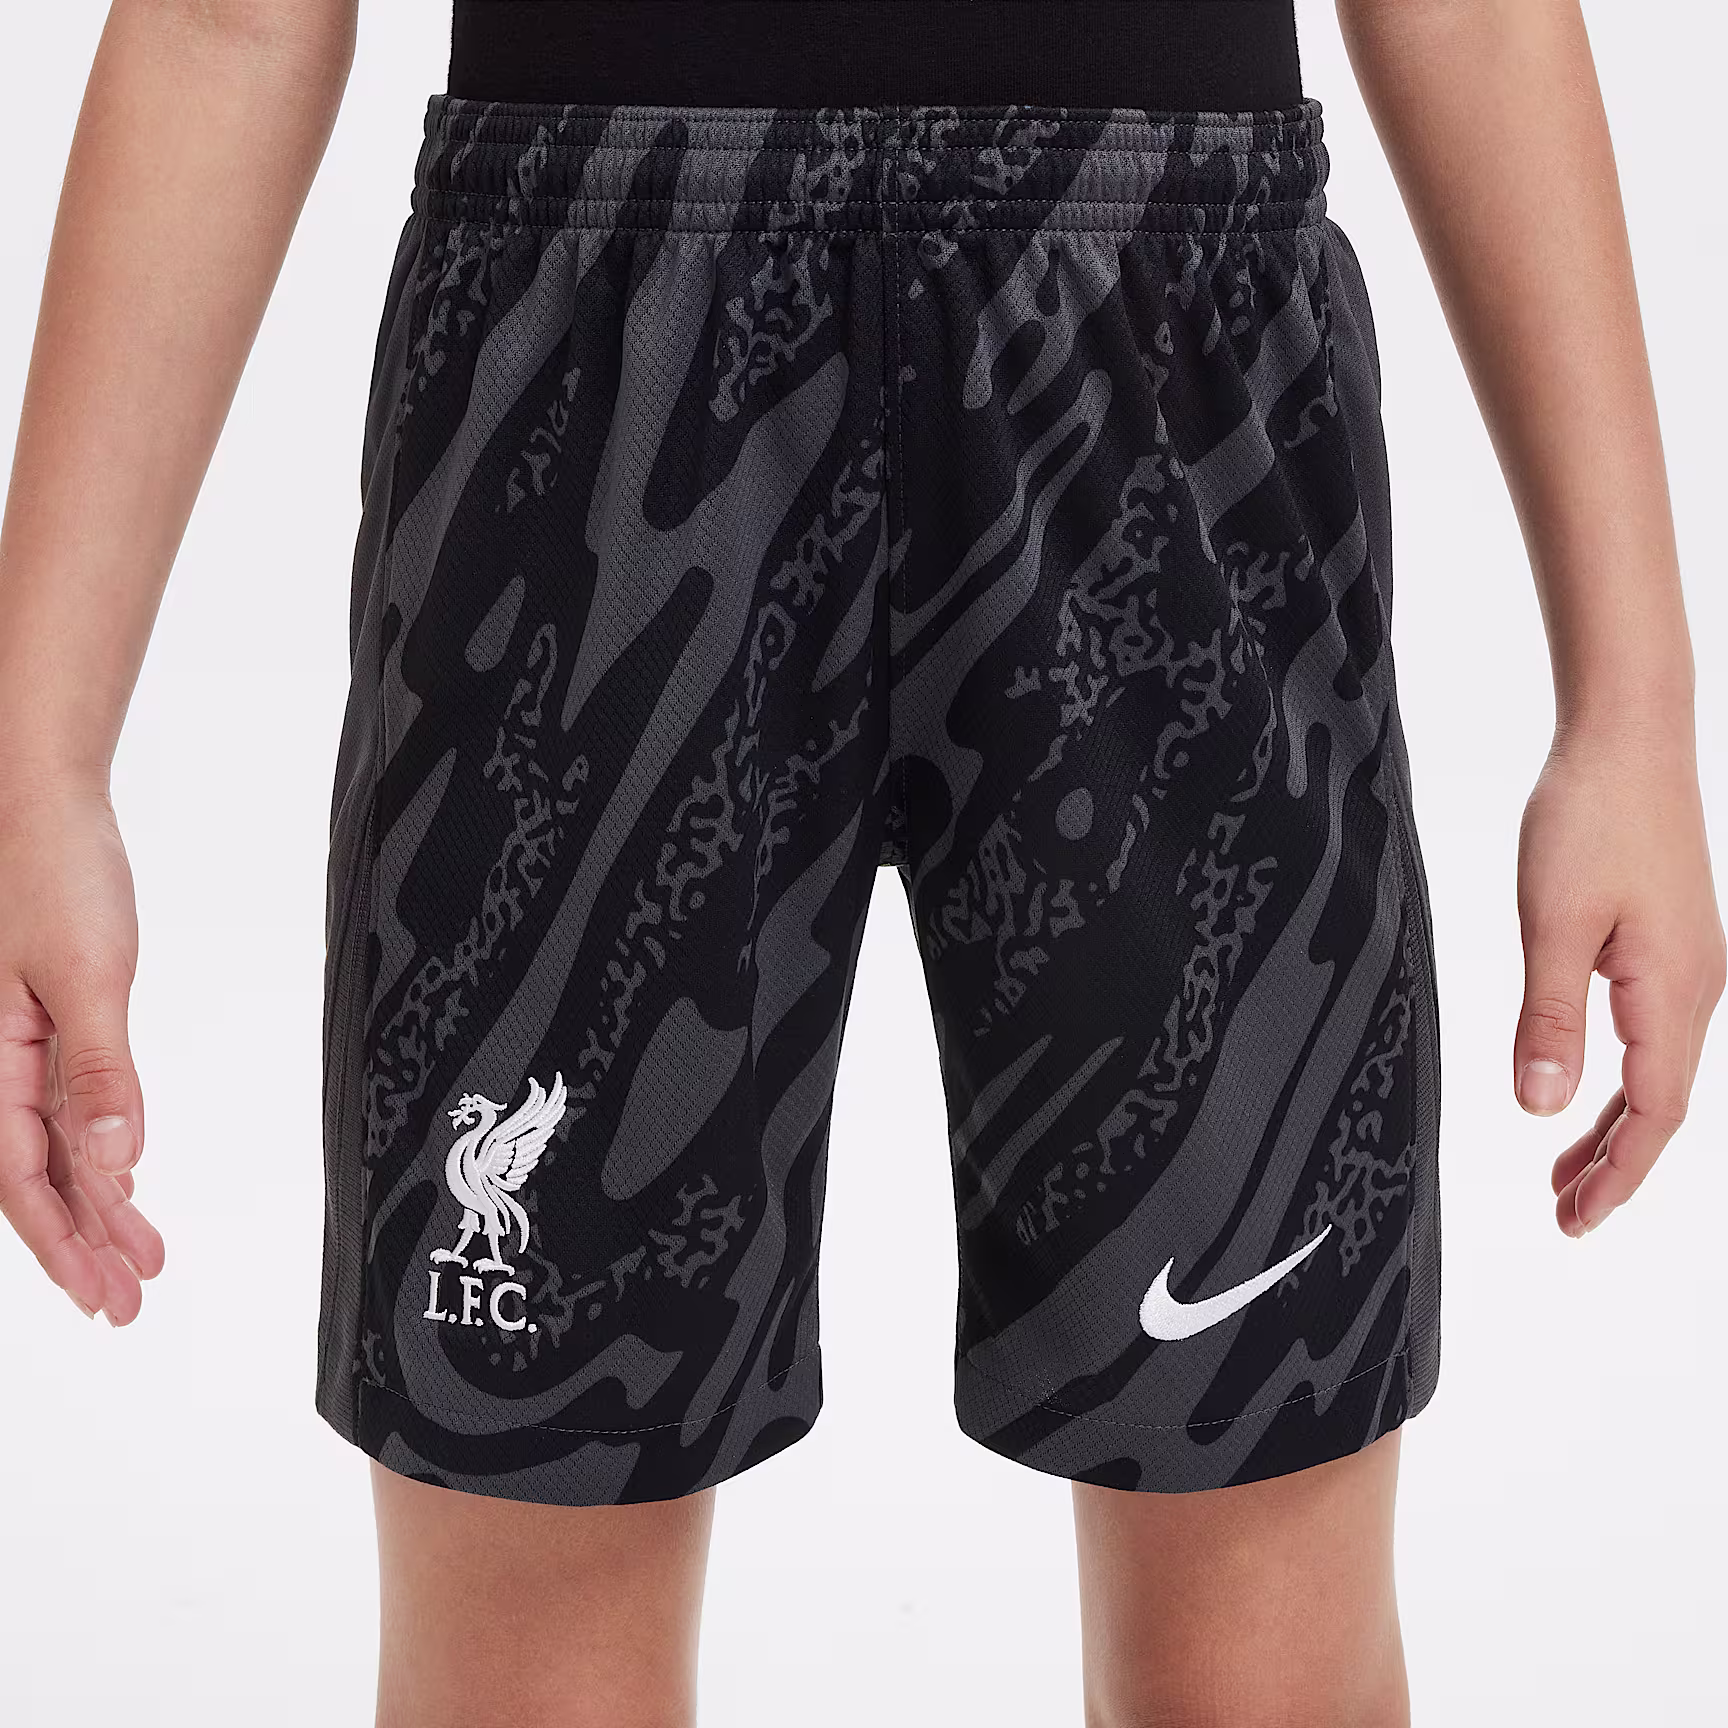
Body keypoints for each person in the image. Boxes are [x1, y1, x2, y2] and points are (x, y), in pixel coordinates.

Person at [0, 1, 1719, 1723]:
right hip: (604, 375)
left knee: (1260, 1657)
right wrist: (37, 762)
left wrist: (1633, 709)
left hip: (1161, 359)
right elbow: (230, 21)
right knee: (526, 1657)